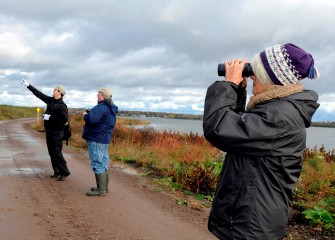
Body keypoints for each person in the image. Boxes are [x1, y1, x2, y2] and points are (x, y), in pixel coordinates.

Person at [203, 43, 320, 240]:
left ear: (272, 78)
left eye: (257, 72)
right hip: (253, 219)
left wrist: (229, 85)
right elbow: (240, 132)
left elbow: (220, 129)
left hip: (252, 225)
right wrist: (239, 91)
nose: (252, 76)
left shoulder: (278, 116)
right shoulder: (278, 110)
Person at [20, 79, 71, 181]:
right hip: (49, 131)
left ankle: (64, 172)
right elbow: (39, 94)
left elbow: (64, 119)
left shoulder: (62, 106)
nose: (53, 91)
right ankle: (57, 171)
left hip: (57, 132)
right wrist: (28, 85)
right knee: (51, 152)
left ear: (59, 92)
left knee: (57, 152)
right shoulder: (51, 100)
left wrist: (50, 118)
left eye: (55, 90)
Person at [82, 87, 118, 196]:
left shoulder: (101, 107)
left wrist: (85, 115)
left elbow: (92, 119)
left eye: (98, 93)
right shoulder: (111, 108)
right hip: (104, 139)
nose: (97, 95)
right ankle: (103, 187)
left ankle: (101, 189)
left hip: (96, 139)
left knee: (97, 163)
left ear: (103, 95)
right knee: (103, 163)